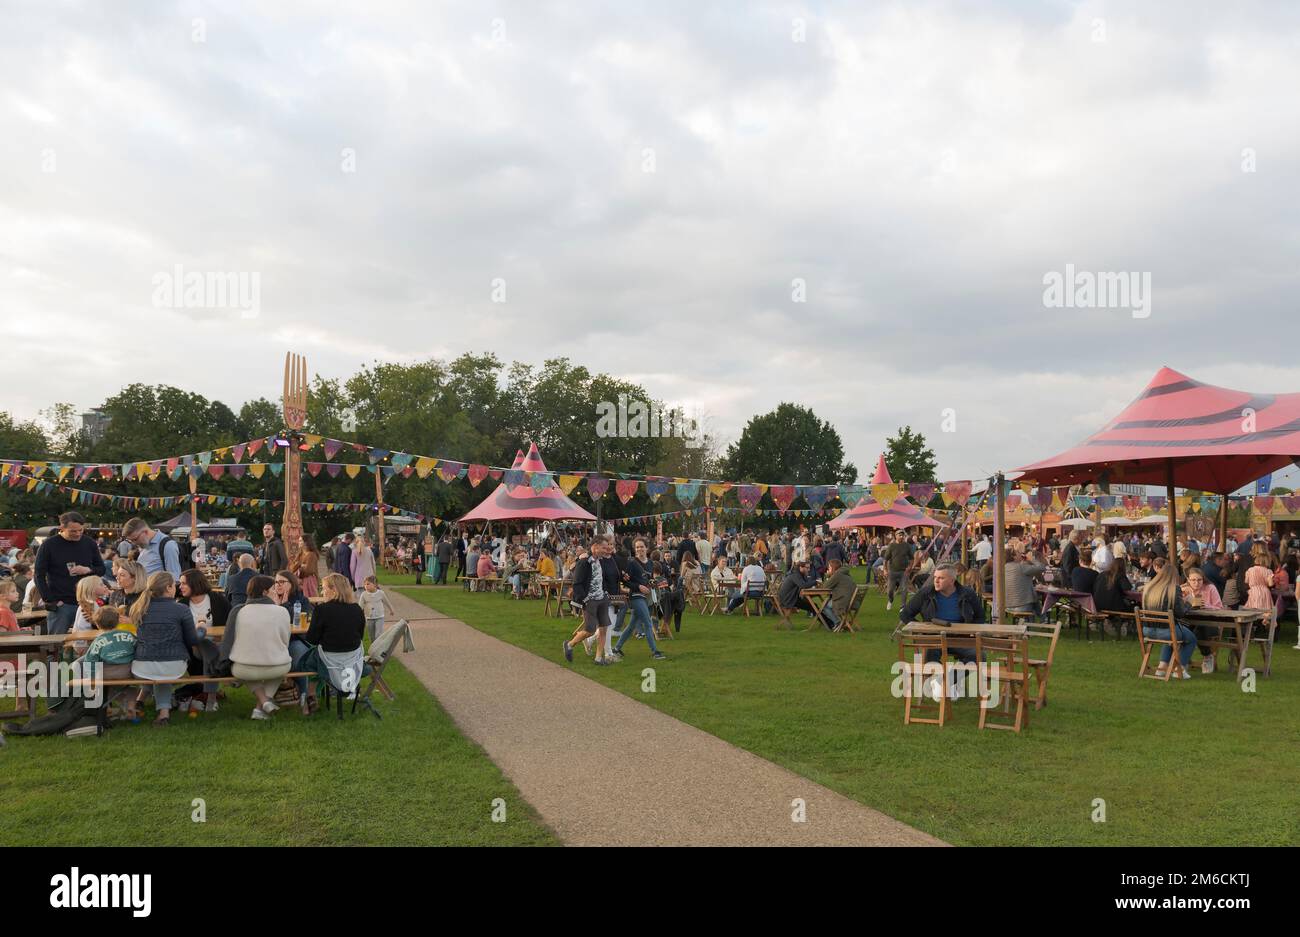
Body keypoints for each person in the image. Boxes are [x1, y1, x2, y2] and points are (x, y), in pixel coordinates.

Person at [898, 564, 985, 698]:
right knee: (930, 658)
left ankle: (944, 682)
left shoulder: (967, 594)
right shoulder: (926, 593)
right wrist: (921, 628)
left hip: (960, 639)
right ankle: (945, 684)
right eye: (935, 577)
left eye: (941, 578)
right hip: (934, 639)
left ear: (952, 580)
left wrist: (971, 630)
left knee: (979, 656)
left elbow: (980, 617)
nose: (936, 581)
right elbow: (905, 614)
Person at [130, 572, 203, 725]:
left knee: (156, 667)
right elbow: (192, 640)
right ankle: (163, 713)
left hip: (141, 667)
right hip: (174, 665)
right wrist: (202, 628)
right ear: (169, 588)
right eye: (174, 585)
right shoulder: (181, 609)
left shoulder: (138, 608)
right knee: (161, 669)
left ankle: (147, 704)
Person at [226, 575, 293, 719]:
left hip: (244, 668)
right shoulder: (282, 611)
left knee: (244, 669)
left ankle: (262, 703)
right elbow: (285, 642)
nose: (275, 591)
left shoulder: (238, 611)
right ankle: (263, 704)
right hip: (277, 666)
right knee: (280, 668)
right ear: (264, 592)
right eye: (272, 588)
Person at [34, 512, 107, 635]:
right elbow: (38, 575)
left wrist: (88, 570)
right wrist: (51, 600)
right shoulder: (49, 545)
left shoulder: (89, 543)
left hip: (88, 602)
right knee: (57, 642)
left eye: (80, 530)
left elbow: (101, 569)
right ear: (62, 528)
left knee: (89, 640)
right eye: (73, 531)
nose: (78, 534)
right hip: (62, 603)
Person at [303, 573, 367, 699]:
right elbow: (360, 636)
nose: (322, 592)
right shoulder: (357, 609)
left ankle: (310, 694)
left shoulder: (322, 610)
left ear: (334, 590)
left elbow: (311, 639)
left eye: (324, 588)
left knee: (306, 659)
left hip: (329, 659)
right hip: (353, 659)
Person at [562, 535, 619, 665]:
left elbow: (600, 578)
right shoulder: (584, 562)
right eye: (604, 548)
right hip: (590, 601)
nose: (606, 550)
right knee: (590, 630)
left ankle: (599, 659)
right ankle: (569, 644)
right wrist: (585, 599)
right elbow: (577, 584)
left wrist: (604, 593)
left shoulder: (599, 560)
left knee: (604, 628)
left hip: (602, 599)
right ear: (595, 546)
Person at [611, 538, 667, 661]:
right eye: (637, 547)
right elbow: (625, 580)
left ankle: (617, 648)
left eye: (641, 547)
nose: (639, 549)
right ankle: (655, 651)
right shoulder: (632, 563)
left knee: (631, 625)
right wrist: (638, 586)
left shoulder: (651, 563)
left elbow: (649, 579)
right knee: (647, 621)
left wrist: (653, 584)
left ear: (647, 548)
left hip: (646, 597)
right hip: (635, 597)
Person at [1140, 561, 1197, 679]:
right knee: (1190, 639)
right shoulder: (1173, 589)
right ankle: (1179, 669)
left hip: (1148, 630)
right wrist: (1189, 602)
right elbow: (1181, 613)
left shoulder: (1149, 588)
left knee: (1172, 635)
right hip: (1166, 631)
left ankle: (1162, 667)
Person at [1003, 546, 1046, 615]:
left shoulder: (1004, 567)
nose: (1021, 554)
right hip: (1022, 605)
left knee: (1032, 595)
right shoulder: (1021, 567)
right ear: (1014, 557)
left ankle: (1043, 618)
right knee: (1032, 596)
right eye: (1018, 553)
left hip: (1008, 605)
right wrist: (1032, 559)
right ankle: (1043, 619)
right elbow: (1042, 567)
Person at [359, 575, 397, 641]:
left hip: (379, 617)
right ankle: (373, 647)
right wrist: (358, 614)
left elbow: (387, 602)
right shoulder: (364, 595)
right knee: (371, 635)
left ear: (375, 584)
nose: (366, 586)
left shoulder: (381, 593)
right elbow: (360, 606)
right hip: (369, 618)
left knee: (378, 635)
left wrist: (391, 609)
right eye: (365, 584)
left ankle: (379, 648)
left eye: (368, 584)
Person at [883, 531, 914, 611]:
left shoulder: (907, 546)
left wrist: (910, 567)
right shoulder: (891, 546)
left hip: (903, 572)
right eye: (899, 535)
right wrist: (885, 570)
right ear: (895, 536)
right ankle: (890, 600)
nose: (901, 536)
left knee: (904, 589)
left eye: (902, 535)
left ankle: (902, 606)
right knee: (890, 590)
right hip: (892, 571)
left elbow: (911, 558)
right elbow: (885, 559)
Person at [292, 533, 320, 598]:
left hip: (309, 581)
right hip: (299, 582)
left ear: (306, 543)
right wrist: (300, 565)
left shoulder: (311, 555)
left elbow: (308, 571)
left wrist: (299, 567)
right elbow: (292, 568)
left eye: (300, 541)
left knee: (310, 601)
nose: (298, 542)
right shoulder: (300, 554)